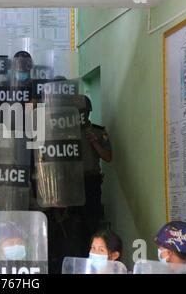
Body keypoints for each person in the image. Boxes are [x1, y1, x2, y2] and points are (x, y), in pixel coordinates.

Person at [78, 95, 112, 256]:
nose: (81, 114)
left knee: (92, 220)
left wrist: (94, 142)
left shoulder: (98, 131)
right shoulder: (66, 131)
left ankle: (93, 253)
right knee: (74, 223)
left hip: (91, 180)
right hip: (72, 182)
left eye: (84, 111)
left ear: (89, 111)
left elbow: (108, 157)